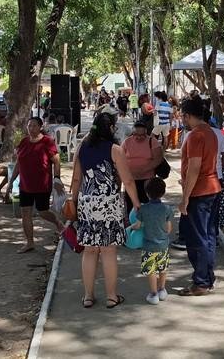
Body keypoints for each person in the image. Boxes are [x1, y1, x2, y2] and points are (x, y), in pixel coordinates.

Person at [69, 113, 140, 309]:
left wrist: (74, 202)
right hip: (109, 204)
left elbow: (76, 180)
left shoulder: (82, 148)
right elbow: (128, 181)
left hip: (88, 204)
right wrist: (136, 204)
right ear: (111, 128)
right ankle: (111, 296)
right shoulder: (115, 150)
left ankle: (88, 296)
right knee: (108, 251)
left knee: (90, 251)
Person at [177, 97, 222, 296]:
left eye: (182, 116)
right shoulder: (211, 133)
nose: (182, 121)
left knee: (197, 238)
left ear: (187, 115)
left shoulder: (196, 135)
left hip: (200, 191)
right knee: (209, 235)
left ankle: (202, 281)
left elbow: (195, 167)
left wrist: (185, 196)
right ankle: (207, 276)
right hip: (212, 188)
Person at [11, 117, 64, 253]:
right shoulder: (24, 142)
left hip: (42, 184)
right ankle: (30, 242)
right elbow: (18, 163)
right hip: (25, 185)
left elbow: (56, 161)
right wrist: (12, 181)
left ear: (40, 127)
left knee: (43, 212)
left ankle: (57, 222)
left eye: (34, 126)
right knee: (25, 212)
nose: (31, 128)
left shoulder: (47, 141)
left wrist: (57, 178)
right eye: (29, 126)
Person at [129, 178, 174, 305]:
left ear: (147, 193)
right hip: (163, 245)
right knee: (163, 268)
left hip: (148, 246)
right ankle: (162, 290)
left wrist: (130, 228)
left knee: (151, 270)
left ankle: (153, 294)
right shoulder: (167, 209)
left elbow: (137, 225)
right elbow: (169, 228)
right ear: (163, 192)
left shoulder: (143, 209)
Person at [121, 122, 164, 212]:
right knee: (131, 206)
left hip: (147, 180)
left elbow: (158, 158)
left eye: (142, 135)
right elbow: (120, 159)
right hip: (131, 180)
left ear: (146, 133)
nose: (139, 137)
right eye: (136, 135)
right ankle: (132, 223)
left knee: (147, 205)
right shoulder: (127, 142)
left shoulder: (152, 141)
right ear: (133, 133)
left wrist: (144, 169)